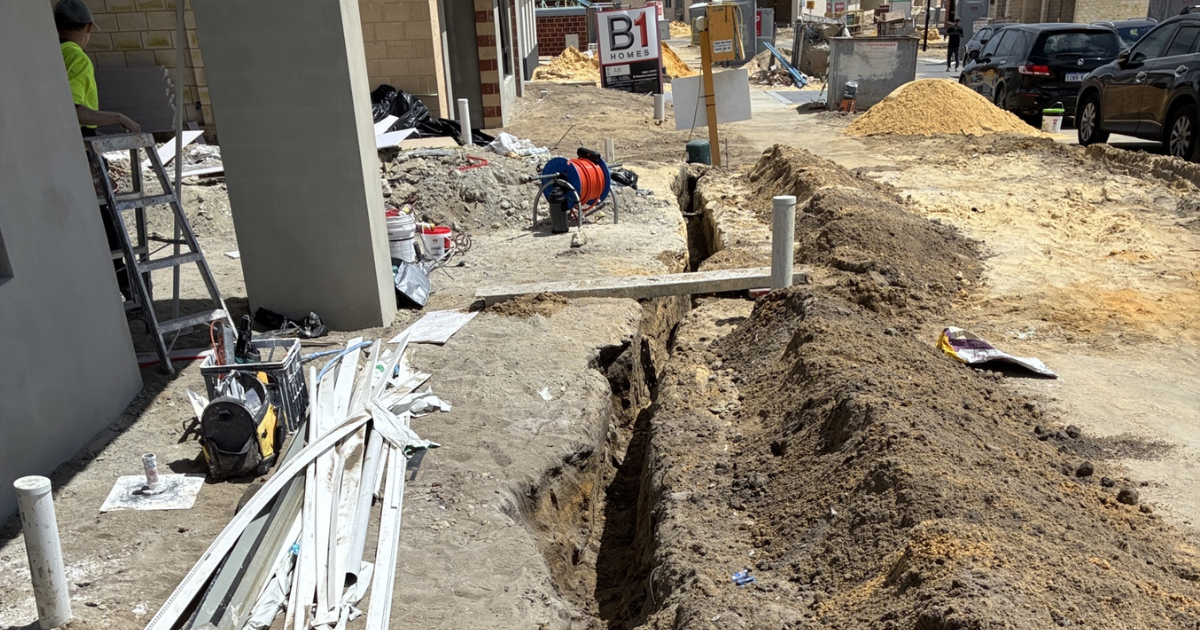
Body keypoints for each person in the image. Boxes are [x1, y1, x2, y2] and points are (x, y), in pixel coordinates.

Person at [55, 0, 141, 299]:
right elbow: (75, 110)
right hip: (79, 147)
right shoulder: (75, 57)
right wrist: (119, 117)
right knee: (106, 222)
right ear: (87, 28)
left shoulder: (48, 56)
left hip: (54, 149)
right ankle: (125, 288)